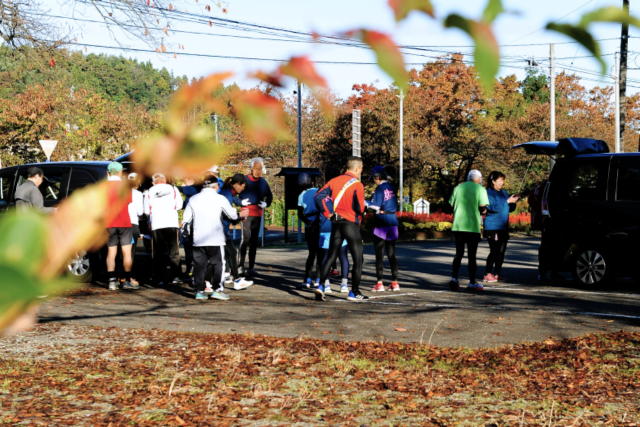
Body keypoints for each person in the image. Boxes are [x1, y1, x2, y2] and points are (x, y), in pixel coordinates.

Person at [183, 178, 249, 300]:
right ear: (216, 186)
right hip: (215, 238)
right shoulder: (220, 198)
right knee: (218, 264)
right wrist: (241, 215)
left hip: (198, 238)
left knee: (199, 265)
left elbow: (186, 220)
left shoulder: (193, 199)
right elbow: (232, 215)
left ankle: (199, 291)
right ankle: (217, 290)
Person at [314, 156, 368, 302]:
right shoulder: (357, 184)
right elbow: (360, 208)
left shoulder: (334, 181)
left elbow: (318, 196)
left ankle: (321, 286)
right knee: (358, 259)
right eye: (361, 168)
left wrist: (328, 213)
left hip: (336, 222)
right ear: (357, 168)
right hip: (350, 223)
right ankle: (354, 292)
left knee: (331, 255)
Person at [449, 169, 490, 291]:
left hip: (458, 226)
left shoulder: (458, 188)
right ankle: (472, 282)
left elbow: (451, 203)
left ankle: (454, 279)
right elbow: (482, 207)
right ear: (478, 179)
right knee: (472, 256)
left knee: (459, 254)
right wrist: (484, 211)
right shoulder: (480, 189)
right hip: (472, 226)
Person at [143, 173, 183, 286]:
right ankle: (175, 276)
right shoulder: (173, 189)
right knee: (174, 251)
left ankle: (159, 277)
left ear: (153, 182)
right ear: (164, 180)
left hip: (157, 223)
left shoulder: (149, 191)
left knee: (158, 252)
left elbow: (146, 210)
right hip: (171, 223)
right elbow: (179, 205)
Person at [238, 157, 273, 278]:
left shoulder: (263, 182)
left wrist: (266, 204)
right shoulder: (244, 179)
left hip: (258, 213)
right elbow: (233, 193)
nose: (258, 171)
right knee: (245, 239)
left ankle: (251, 268)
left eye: (260, 168)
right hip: (246, 213)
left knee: (254, 241)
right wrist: (240, 202)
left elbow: (269, 196)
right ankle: (240, 267)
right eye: (256, 168)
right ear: (251, 168)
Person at [483, 171, 519, 283]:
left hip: (503, 226)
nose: (502, 182)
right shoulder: (488, 193)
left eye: (503, 180)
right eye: (500, 180)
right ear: (493, 181)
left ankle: (497, 273)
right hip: (492, 227)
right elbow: (492, 207)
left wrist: (513, 202)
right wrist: (507, 201)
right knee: (494, 251)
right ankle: (487, 273)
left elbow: (510, 208)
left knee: (501, 251)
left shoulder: (504, 192)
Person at [104, 162, 136, 291]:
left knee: (111, 252)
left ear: (108, 172)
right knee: (126, 252)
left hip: (109, 222)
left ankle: (111, 281)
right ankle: (126, 280)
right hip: (124, 222)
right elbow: (128, 202)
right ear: (120, 172)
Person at [219, 173, 253, 290]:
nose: (243, 189)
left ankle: (231, 277)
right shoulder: (227, 195)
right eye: (243, 186)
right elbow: (225, 214)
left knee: (229, 253)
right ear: (238, 184)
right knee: (231, 252)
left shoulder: (228, 192)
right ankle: (236, 279)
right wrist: (239, 216)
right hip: (220, 229)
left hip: (221, 228)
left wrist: (239, 214)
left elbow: (234, 202)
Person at [368, 166, 400, 292]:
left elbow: (375, 206)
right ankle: (395, 282)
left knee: (379, 254)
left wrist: (366, 203)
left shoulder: (380, 188)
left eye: (374, 177)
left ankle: (379, 283)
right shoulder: (392, 187)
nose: (373, 180)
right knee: (391, 253)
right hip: (393, 220)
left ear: (377, 177)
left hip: (381, 221)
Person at [297, 173, 324, 289]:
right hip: (320, 225)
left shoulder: (301, 195)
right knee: (320, 253)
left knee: (311, 254)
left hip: (309, 226)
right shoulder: (319, 191)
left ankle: (307, 279)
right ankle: (318, 279)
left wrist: (308, 222)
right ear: (312, 182)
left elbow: (300, 214)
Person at [127, 172, 144, 287]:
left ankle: (119, 278)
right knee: (130, 253)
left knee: (120, 252)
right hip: (132, 224)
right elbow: (140, 212)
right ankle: (130, 278)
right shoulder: (138, 194)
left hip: (120, 224)